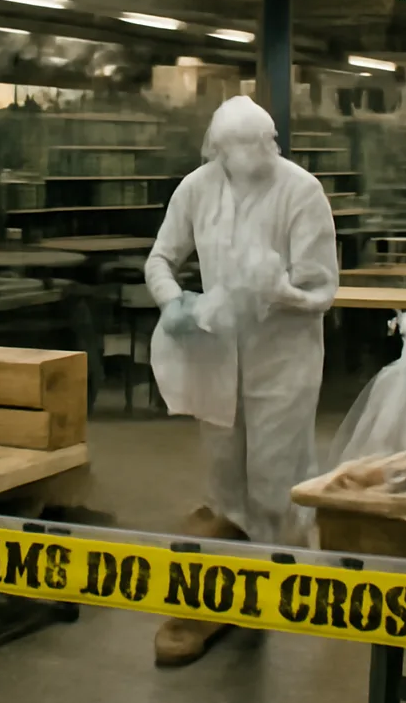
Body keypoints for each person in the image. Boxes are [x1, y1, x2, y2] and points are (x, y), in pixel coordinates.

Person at [145, 95, 339, 666]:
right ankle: (226, 594)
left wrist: (281, 293)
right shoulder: (197, 188)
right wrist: (173, 300)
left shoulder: (300, 190)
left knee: (275, 476)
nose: (253, 156)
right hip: (216, 352)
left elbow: (322, 289)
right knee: (224, 475)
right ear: (217, 149)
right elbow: (161, 257)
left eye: (262, 144)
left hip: (283, 356)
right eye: (239, 147)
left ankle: (270, 585)